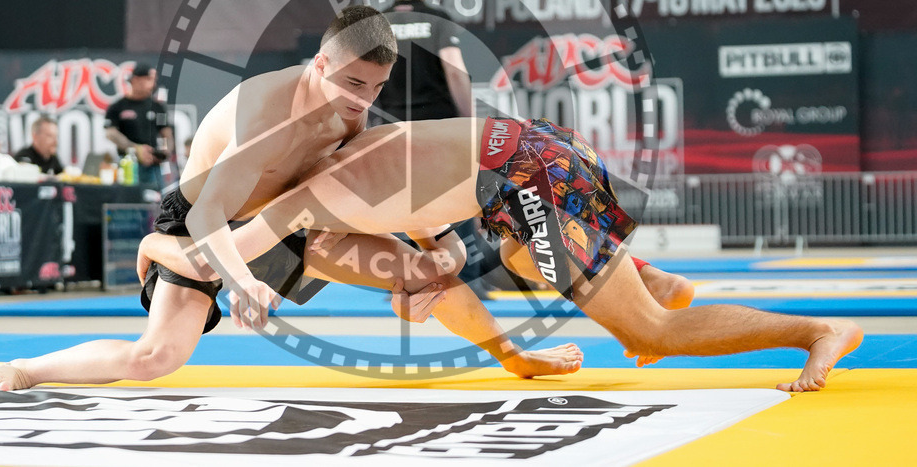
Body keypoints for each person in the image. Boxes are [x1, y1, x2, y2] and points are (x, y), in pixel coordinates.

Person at [0, 6, 595, 392]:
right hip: (204, 220)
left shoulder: (354, 112)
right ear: (319, 62)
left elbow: (376, 196)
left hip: (291, 220)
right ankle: (35, 366)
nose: (362, 99)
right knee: (156, 359)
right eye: (353, 82)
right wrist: (243, 286)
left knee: (420, 270)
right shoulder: (267, 112)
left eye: (376, 86)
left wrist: (440, 253)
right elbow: (212, 212)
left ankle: (512, 355)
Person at [159, 116, 863, 393]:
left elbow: (216, 255)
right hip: (525, 160)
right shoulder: (345, 163)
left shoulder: (310, 197)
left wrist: (163, 249)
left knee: (646, 333)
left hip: (529, 181)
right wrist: (432, 272)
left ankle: (817, 332)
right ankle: (648, 277)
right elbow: (430, 236)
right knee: (521, 260)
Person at [377, 0, 472, 120]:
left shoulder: (378, 21)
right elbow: (454, 70)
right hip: (437, 119)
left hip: (392, 119)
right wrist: (468, 118)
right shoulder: (438, 19)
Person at [104, 62, 174, 189]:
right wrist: (136, 149)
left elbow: (166, 134)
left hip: (153, 166)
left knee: (156, 203)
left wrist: (164, 152)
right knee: (129, 201)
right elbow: (110, 133)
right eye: (150, 79)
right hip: (127, 164)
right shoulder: (117, 107)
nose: (154, 84)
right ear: (136, 79)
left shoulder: (158, 107)